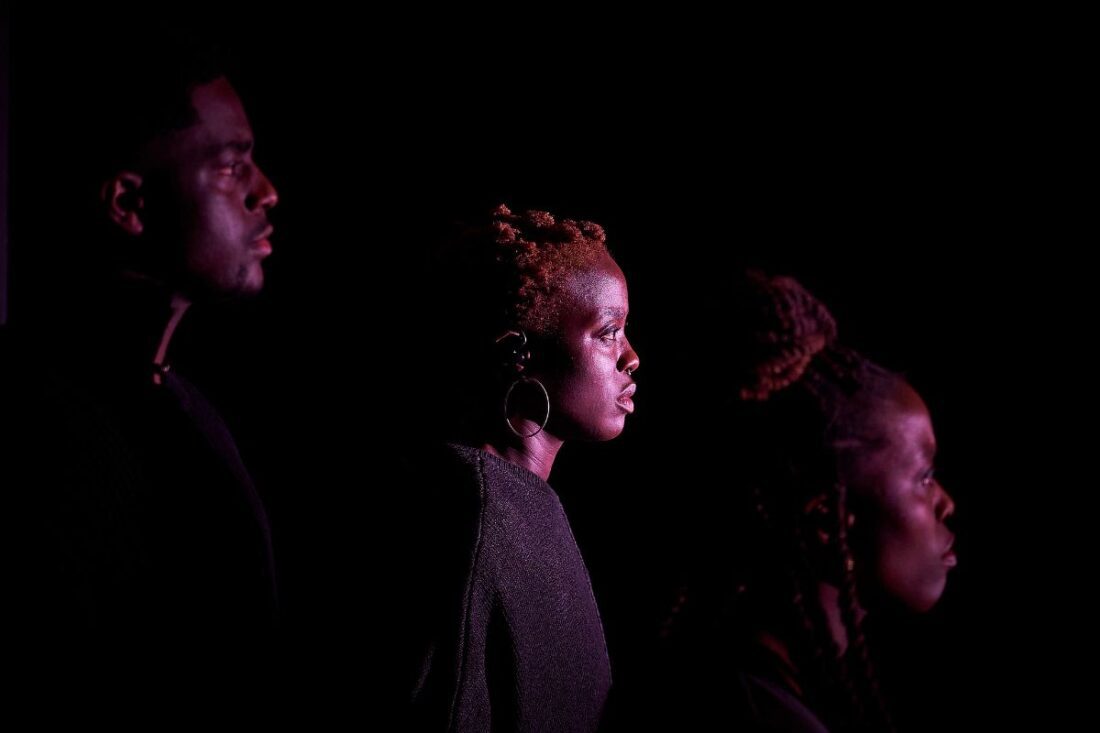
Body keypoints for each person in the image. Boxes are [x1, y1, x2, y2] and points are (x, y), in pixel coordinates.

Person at [1, 34, 280, 640]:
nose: (266, 192)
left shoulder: (185, 408)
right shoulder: (32, 426)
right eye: (231, 166)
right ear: (129, 202)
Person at [656, 271, 957, 732]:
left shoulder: (762, 690)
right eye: (924, 477)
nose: (947, 504)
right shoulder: (752, 713)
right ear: (825, 522)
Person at [399, 204, 640, 732]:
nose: (631, 357)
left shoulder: (515, 505)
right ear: (520, 354)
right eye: (608, 332)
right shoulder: (476, 517)